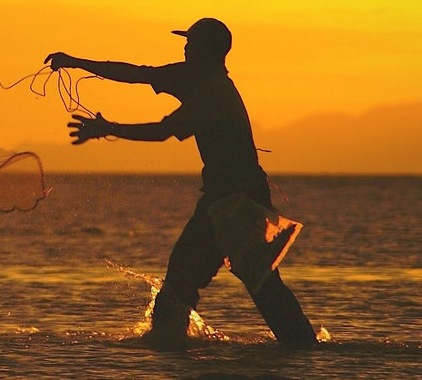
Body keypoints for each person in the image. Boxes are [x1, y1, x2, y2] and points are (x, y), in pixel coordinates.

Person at [44, 18, 317, 349]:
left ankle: (171, 343)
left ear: (204, 51)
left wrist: (108, 128)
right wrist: (74, 62)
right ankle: (298, 347)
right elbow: (137, 73)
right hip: (224, 199)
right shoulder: (192, 77)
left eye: (190, 43)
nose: (184, 48)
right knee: (239, 278)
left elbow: (162, 131)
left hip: (238, 201)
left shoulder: (212, 93)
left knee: (236, 278)